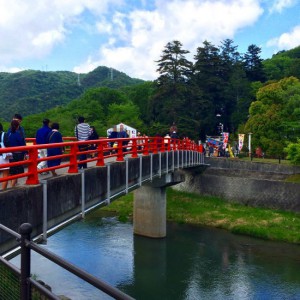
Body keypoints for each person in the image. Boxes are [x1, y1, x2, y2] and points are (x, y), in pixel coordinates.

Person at [8, 120, 26, 187]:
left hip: (9, 154)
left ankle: (12, 184)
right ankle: (12, 185)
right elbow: (22, 145)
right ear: (17, 126)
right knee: (17, 170)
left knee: (12, 170)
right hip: (18, 154)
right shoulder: (17, 134)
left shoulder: (8, 133)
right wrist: (25, 153)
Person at [0, 123, 10, 190]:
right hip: (3, 156)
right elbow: (8, 144)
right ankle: (3, 190)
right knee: (5, 174)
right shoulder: (4, 134)